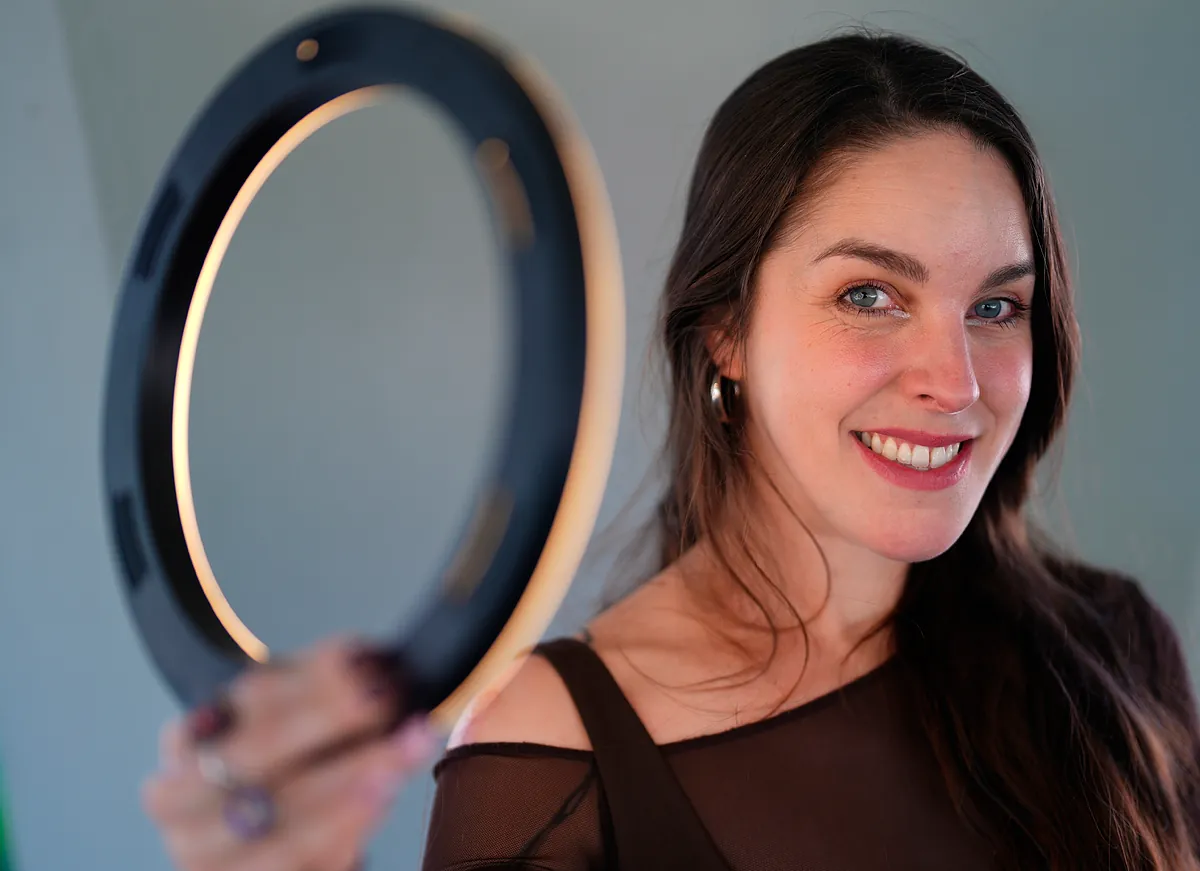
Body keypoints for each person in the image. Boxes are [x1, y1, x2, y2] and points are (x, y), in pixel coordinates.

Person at [141, 28, 1200, 871]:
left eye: (997, 307)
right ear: (725, 331)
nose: (956, 382)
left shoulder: (1112, 653)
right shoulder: (553, 749)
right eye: (870, 295)